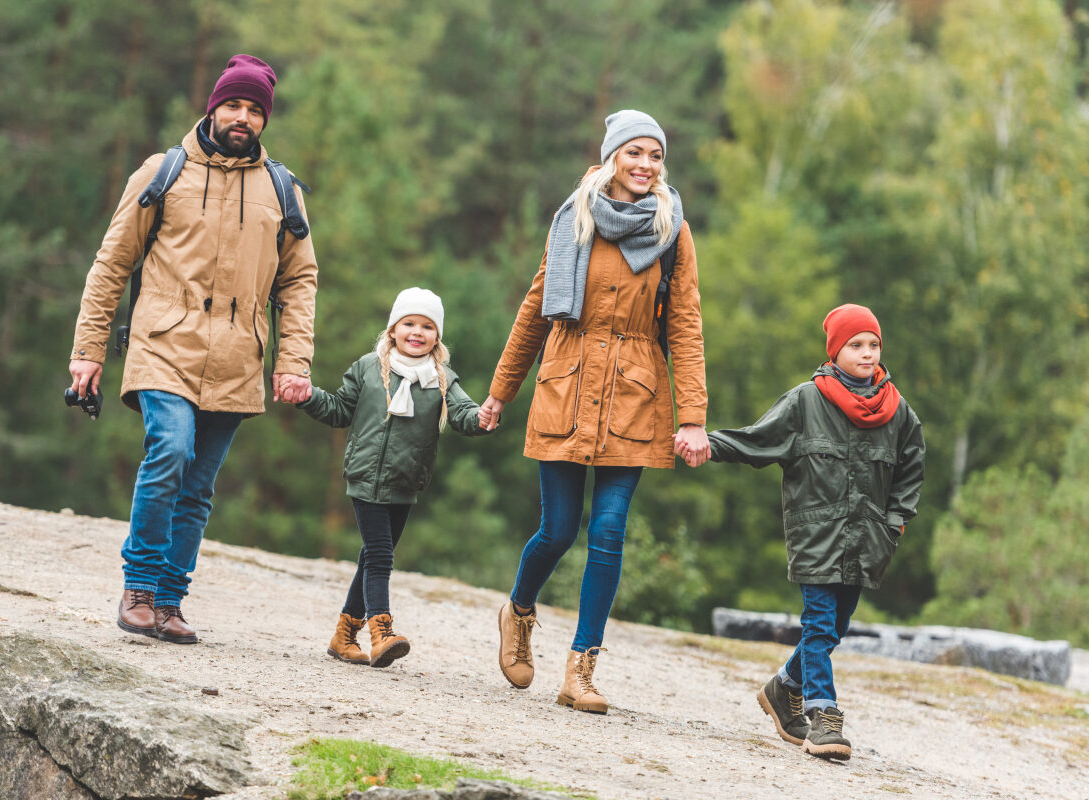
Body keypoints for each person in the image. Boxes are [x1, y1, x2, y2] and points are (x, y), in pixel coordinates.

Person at [68, 54, 318, 645]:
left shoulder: (283, 191)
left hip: (238, 359)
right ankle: (140, 587)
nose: (243, 117)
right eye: (234, 104)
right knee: (170, 451)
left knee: (199, 486)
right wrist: (88, 350)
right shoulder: (162, 173)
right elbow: (111, 264)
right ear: (212, 107)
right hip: (163, 345)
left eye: (255, 110)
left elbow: (299, 282)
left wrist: (293, 362)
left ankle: (171, 602)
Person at [482, 110, 710, 714]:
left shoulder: (672, 228)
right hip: (566, 382)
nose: (646, 165)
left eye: (655, 155)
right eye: (635, 152)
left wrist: (692, 417)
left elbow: (685, 324)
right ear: (612, 157)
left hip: (635, 394)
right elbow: (536, 307)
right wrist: (500, 392)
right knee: (557, 530)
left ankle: (581, 668)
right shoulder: (574, 217)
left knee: (608, 532)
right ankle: (519, 609)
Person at [699, 303, 925, 760]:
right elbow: (756, 440)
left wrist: (896, 521)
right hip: (816, 539)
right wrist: (707, 442)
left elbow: (911, 468)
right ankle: (824, 719)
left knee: (835, 629)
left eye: (873, 344)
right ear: (835, 351)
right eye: (855, 345)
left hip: (867, 543)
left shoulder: (898, 413)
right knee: (819, 627)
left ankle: (783, 687)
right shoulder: (805, 401)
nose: (867, 353)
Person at [297, 288, 488, 667]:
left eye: (427, 326)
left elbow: (465, 413)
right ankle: (381, 632)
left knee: (371, 557)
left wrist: (483, 418)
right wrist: (307, 396)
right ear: (393, 329)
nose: (417, 332)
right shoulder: (369, 367)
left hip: (405, 481)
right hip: (366, 475)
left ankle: (343, 636)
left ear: (437, 336)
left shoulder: (441, 378)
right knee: (381, 555)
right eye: (409, 323)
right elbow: (338, 410)